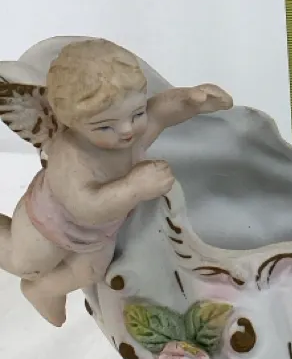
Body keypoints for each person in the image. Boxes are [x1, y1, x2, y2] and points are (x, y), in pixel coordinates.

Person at [0, 39, 232, 325]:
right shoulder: (71, 156)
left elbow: (162, 110)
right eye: (105, 126)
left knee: (90, 272)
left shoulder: (131, 132)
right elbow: (85, 206)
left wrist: (193, 100)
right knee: (26, 263)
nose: (126, 130)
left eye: (137, 113)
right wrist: (134, 187)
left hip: (97, 234)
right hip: (46, 225)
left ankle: (41, 291)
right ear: (71, 122)